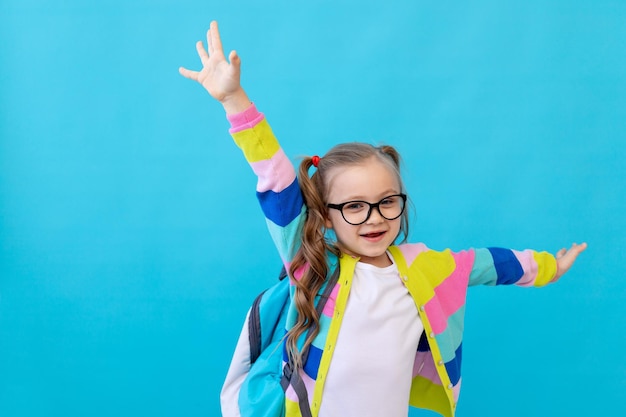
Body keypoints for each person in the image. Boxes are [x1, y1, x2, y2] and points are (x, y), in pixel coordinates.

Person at [179, 21, 587, 417]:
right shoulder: (315, 269)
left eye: (387, 201)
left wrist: (550, 266)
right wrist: (235, 101)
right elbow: (276, 179)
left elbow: (488, 264)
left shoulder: (425, 268)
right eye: (354, 206)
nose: (374, 218)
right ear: (324, 215)